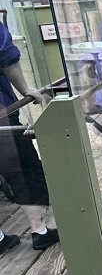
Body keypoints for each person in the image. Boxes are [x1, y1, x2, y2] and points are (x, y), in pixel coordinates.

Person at [0, 20, 59, 256]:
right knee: (22, 168)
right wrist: (26, 89)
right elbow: (5, 55)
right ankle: (40, 231)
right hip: (2, 113)